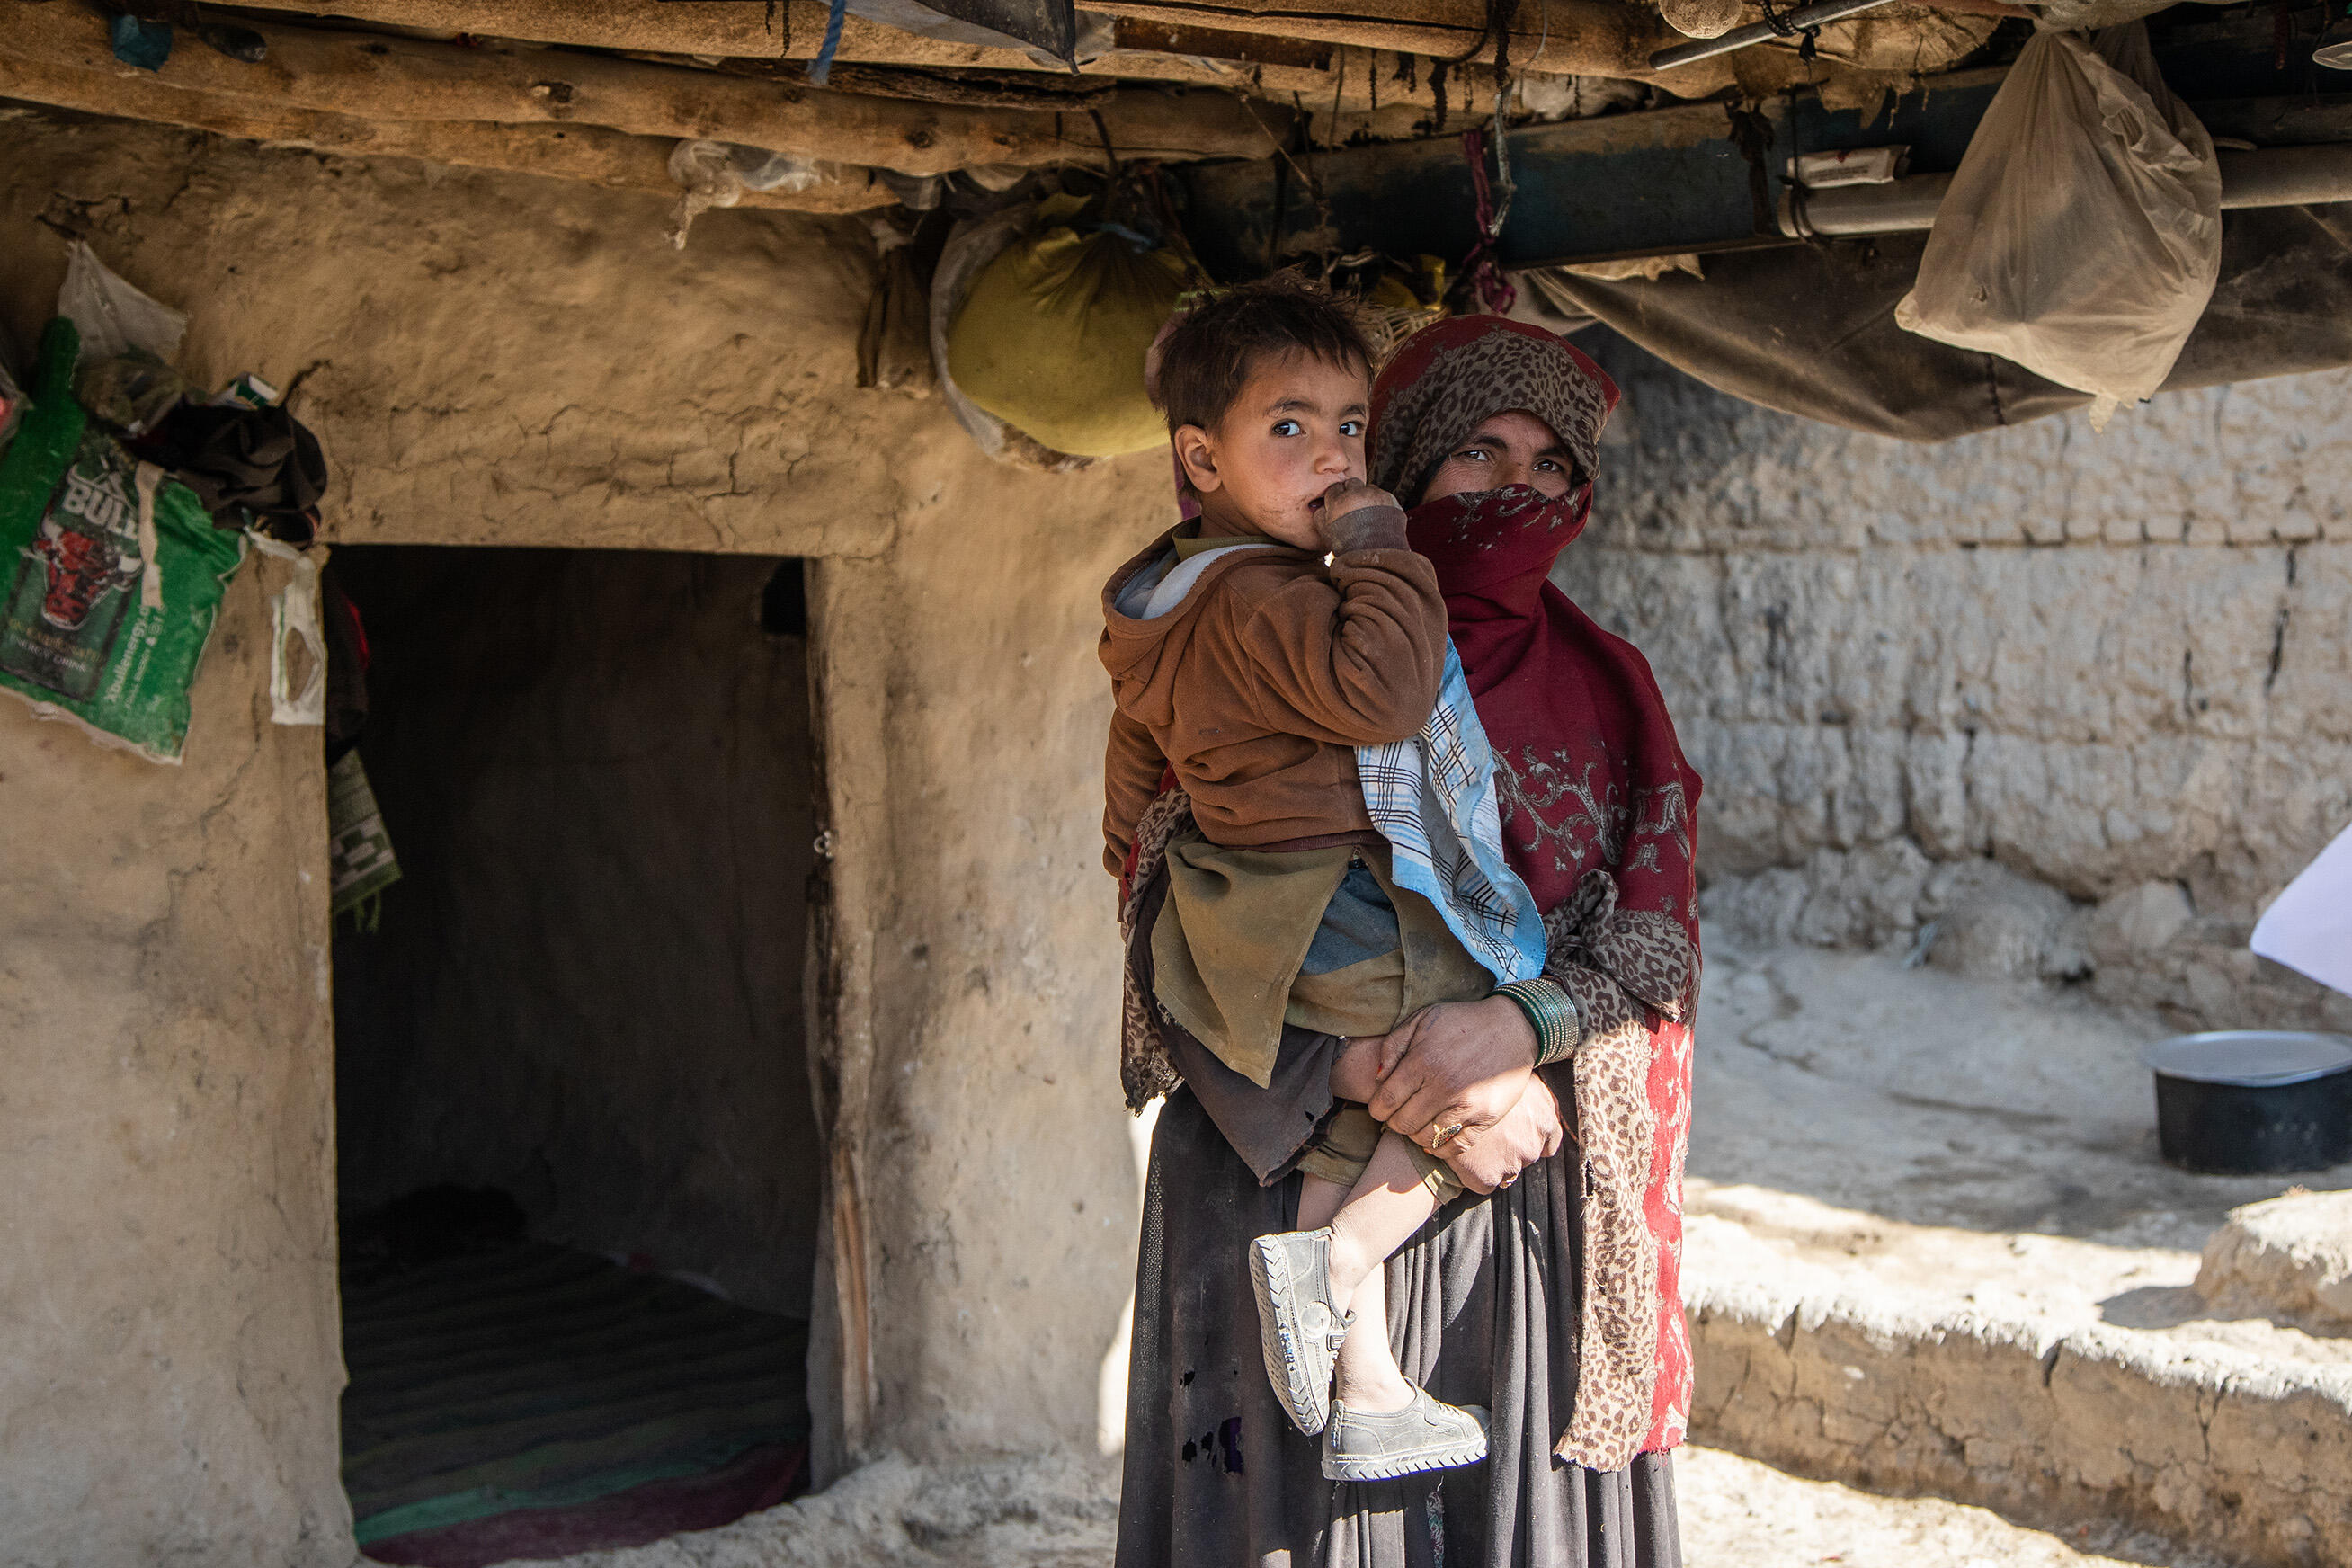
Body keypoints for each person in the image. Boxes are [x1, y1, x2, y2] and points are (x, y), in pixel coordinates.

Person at [1115, 312, 1702, 1568]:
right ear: (1405, 466)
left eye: (1552, 466)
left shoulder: (1610, 690)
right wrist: (1348, 1063)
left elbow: (1656, 957)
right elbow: (1168, 900)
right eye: (1479, 453)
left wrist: (1518, 1030)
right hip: (1268, 1150)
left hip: (1508, 1181)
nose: (1519, 489)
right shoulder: (1300, 640)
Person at [1101, 276, 1503, 1482]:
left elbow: (1130, 777)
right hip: (1339, 912)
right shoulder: (1261, 597)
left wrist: (1135, 863)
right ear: (1199, 456)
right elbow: (1383, 693)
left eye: (1347, 428)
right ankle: (1334, 1263)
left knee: (1352, 1112)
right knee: (1470, 1081)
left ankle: (1365, 1373)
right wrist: (1381, 545)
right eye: (1288, 428)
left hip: (1255, 918)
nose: (1329, 454)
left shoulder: (1163, 596)